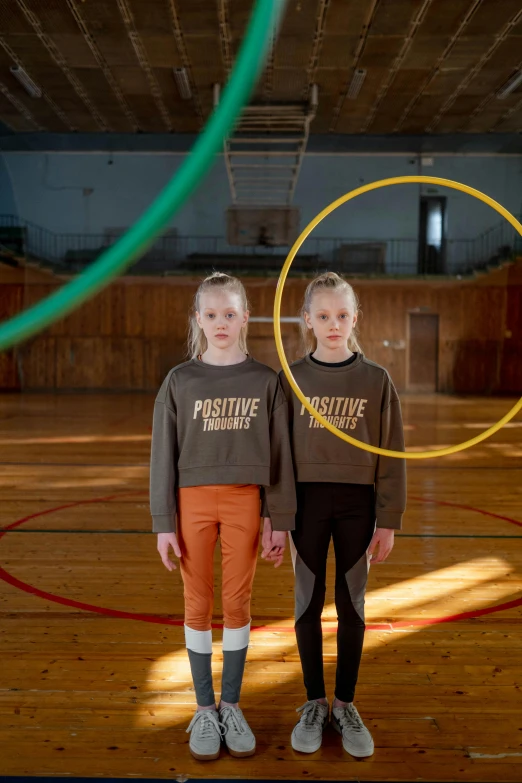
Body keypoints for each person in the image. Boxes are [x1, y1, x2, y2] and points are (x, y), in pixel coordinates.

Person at [149, 272, 296, 762]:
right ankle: (203, 707)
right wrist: (162, 522)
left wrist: (279, 516)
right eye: (210, 314)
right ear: (198, 319)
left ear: (245, 318)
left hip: (245, 501)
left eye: (229, 313)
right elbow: (162, 455)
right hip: (191, 501)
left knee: (237, 602)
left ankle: (231, 704)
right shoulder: (180, 380)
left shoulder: (265, 380)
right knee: (197, 602)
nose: (220, 323)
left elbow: (280, 454)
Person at [279, 271, 406, 758]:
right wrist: (280, 515)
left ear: (355, 319)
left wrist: (388, 516)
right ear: (308, 319)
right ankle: (314, 701)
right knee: (307, 604)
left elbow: (392, 451)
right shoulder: (292, 379)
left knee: (353, 607)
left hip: (359, 505)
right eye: (324, 316)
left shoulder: (376, 380)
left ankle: (345, 703)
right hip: (307, 505)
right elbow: (279, 455)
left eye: (343, 315)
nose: (334, 324)